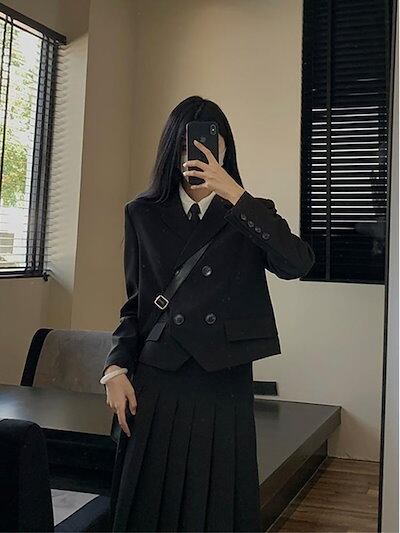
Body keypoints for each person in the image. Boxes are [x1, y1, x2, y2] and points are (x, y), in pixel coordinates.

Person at [100, 95, 315, 532]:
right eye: (186, 143)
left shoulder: (249, 213)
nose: (196, 152)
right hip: (159, 377)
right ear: (171, 149)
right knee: (150, 506)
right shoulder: (142, 213)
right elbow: (135, 304)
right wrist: (115, 368)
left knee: (215, 505)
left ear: (224, 148)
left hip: (222, 378)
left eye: (208, 142)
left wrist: (234, 193)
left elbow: (297, 263)